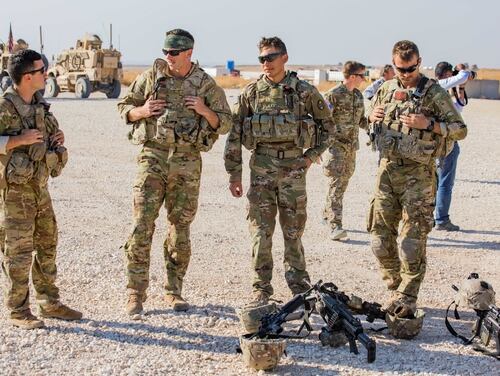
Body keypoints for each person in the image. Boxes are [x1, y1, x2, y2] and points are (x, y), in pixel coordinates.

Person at [117, 29, 231, 315]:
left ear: (189, 53)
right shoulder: (151, 77)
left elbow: (226, 122)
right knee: (142, 224)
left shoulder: (205, 84)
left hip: (186, 161)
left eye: (174, 53)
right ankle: (135, 293)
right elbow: (123, 108)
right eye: (165, 52)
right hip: (152, 156)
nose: (168, 57)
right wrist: (141, 111)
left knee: (180, 228)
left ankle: (174, 290)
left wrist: (205, 110)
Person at [224, 37, 335, 305]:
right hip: (261, 170)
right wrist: (234, 174)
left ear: (284, 57)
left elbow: (328, 128)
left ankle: (298, 284)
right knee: (260, 232)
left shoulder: (304, 92)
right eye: (262, 58)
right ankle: (261, 287)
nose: (266, 63)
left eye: (271, 57)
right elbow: (234, 134)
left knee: (293, 231)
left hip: (293, 172)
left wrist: (310, 157)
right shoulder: (251, 93)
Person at [367, 40, 467, 327]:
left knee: (412, 241)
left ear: (419, 62)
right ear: (393, 63)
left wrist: (431, 126)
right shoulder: (385, 89)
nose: (406, 73)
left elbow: (461, 130)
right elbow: (369, 124)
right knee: (378, 239)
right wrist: (370, 118)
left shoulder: (434, 92)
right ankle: (396, 288)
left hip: (419, 175)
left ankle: (407, 295)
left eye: (411, 68)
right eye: (401, 68)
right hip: (387, 171)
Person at [0, 49, 81, 329]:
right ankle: (18, 310)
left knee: (47, 245)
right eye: (41, 70)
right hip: (13, 194)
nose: (46, 74)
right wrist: (15, 141)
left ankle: (49, 302)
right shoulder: (4, 107)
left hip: (39, 189)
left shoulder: (39, 105)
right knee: (18, 253)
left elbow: (47, 137)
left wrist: (56, 138)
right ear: (26, 76)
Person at [322, 61, 368, 240]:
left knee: (341, 185)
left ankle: (327, 215)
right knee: (336, 185)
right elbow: (323, 123)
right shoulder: (333, 95)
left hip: (351, 149)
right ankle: (335, 225)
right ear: (353, 76)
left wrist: (373, 120)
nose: (364, 79)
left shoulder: (358, 96)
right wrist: (317, 148)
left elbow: (361, 120)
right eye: (362, 75)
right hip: (337, 149)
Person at [433, 62, 475, 231]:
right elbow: (464, 75)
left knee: (436, 180)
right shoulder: (438, 85)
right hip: (445, 140)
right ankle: (441, 219)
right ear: (445, 74)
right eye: (451, 74)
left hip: (440, 139)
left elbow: (459, 106)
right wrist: (463, 70)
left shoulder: (441, 89)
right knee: (444, 182)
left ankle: (432, 217)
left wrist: (461, 88)